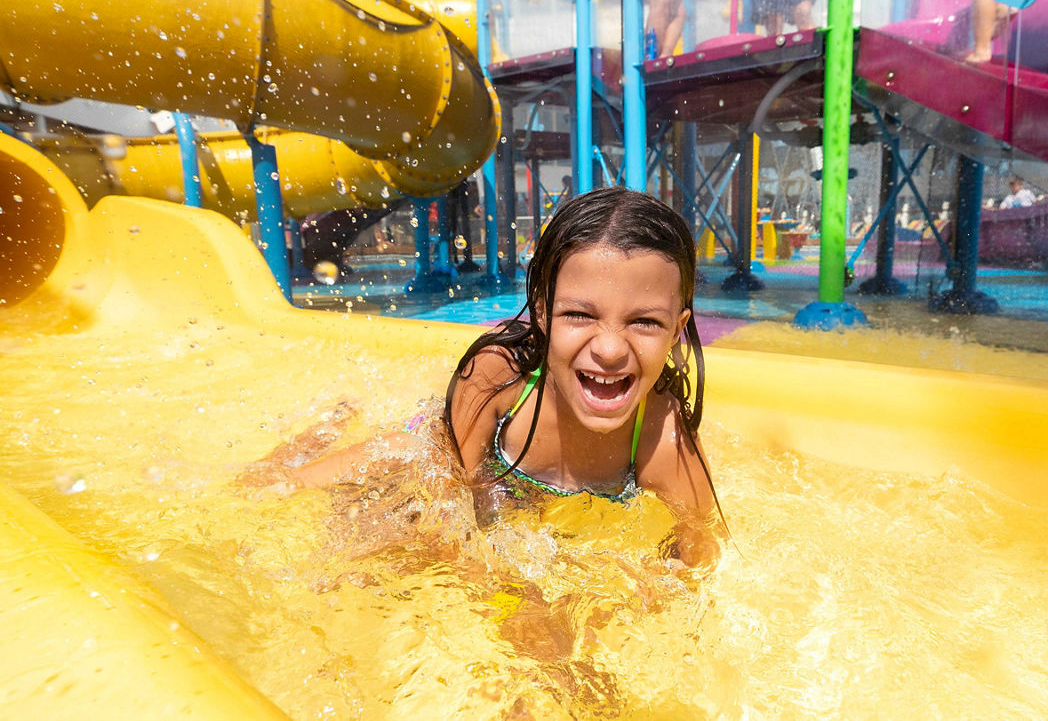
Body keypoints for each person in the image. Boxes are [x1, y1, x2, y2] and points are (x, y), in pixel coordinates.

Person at [245, 187, 724, 568]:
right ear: (541, 313)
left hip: (516, 496)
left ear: (677, 332)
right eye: (579, 314)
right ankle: (323, 428)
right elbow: (444, 509)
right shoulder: (497, 377)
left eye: (645, 322)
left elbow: (703, 555)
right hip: (431, 450)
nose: (610, 348)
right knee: (291, 497)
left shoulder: (659, 435)